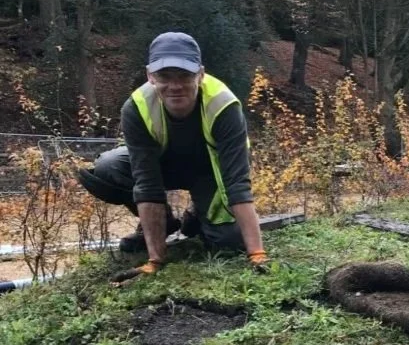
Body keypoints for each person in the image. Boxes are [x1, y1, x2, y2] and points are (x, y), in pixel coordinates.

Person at [78, 32, 270, 283]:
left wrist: (256, 253)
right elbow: (146, 183)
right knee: (106, 169)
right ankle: (165, 223)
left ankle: (197, 215)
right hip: (163, 165)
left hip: (211, 171)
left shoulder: (224, 105)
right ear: (150, 76)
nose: (175, 85)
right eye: (164, 77)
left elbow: (237, 183)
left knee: (228, 243)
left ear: (200, 74)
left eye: (185, 76)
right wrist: (155, 260)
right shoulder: (136, 107)